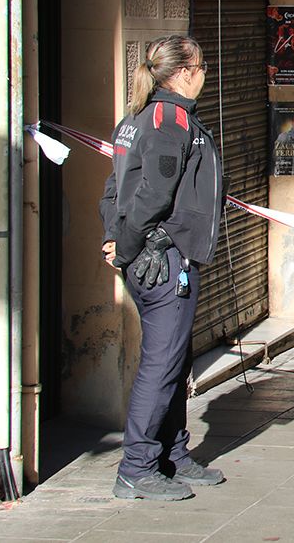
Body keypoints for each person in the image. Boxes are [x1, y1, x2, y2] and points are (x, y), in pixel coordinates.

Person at [98, 35, 226, 501]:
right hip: (161, 260)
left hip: (158, 256)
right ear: (185, 72)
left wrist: (115, 237)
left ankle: (172, 453)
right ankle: (137, 467)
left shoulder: (140, 117)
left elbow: (113, 189)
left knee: (174, 359)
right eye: (202, 66)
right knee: (162, 363)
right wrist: (127, 246)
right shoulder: (168, 120)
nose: (206, 74)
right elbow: (152, 194)